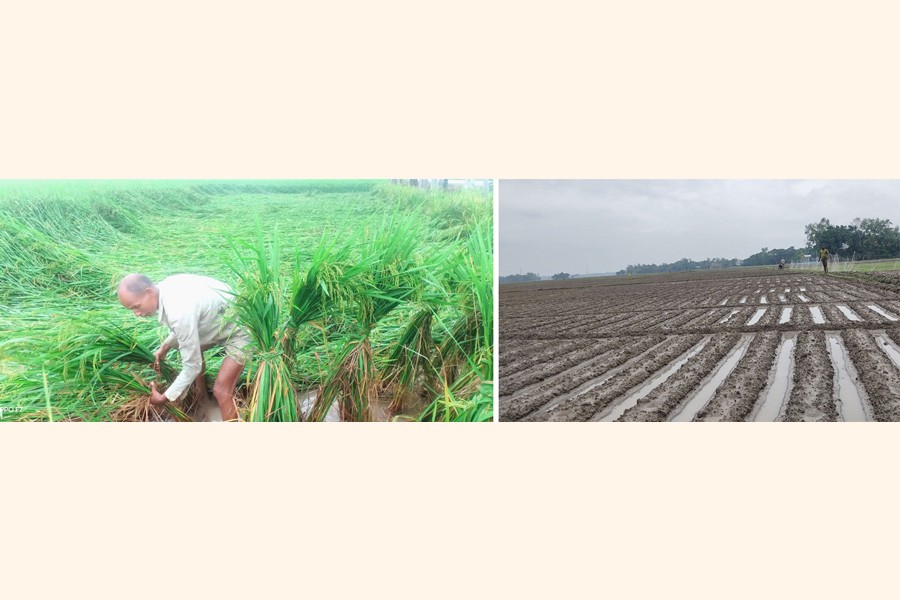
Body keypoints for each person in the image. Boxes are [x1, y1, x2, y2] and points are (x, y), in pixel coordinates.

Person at [117, 273, 250, 421]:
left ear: (148, 292)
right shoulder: (165, 288)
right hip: (220, 319)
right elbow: (183, 330)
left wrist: (163, 398)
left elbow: (192, 366)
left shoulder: (178, 310)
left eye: (136, 307)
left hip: (242, 329)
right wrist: (164, 348)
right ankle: (203, 404)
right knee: (193, 350)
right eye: (131, 309)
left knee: (222, 390)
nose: (136, 314)